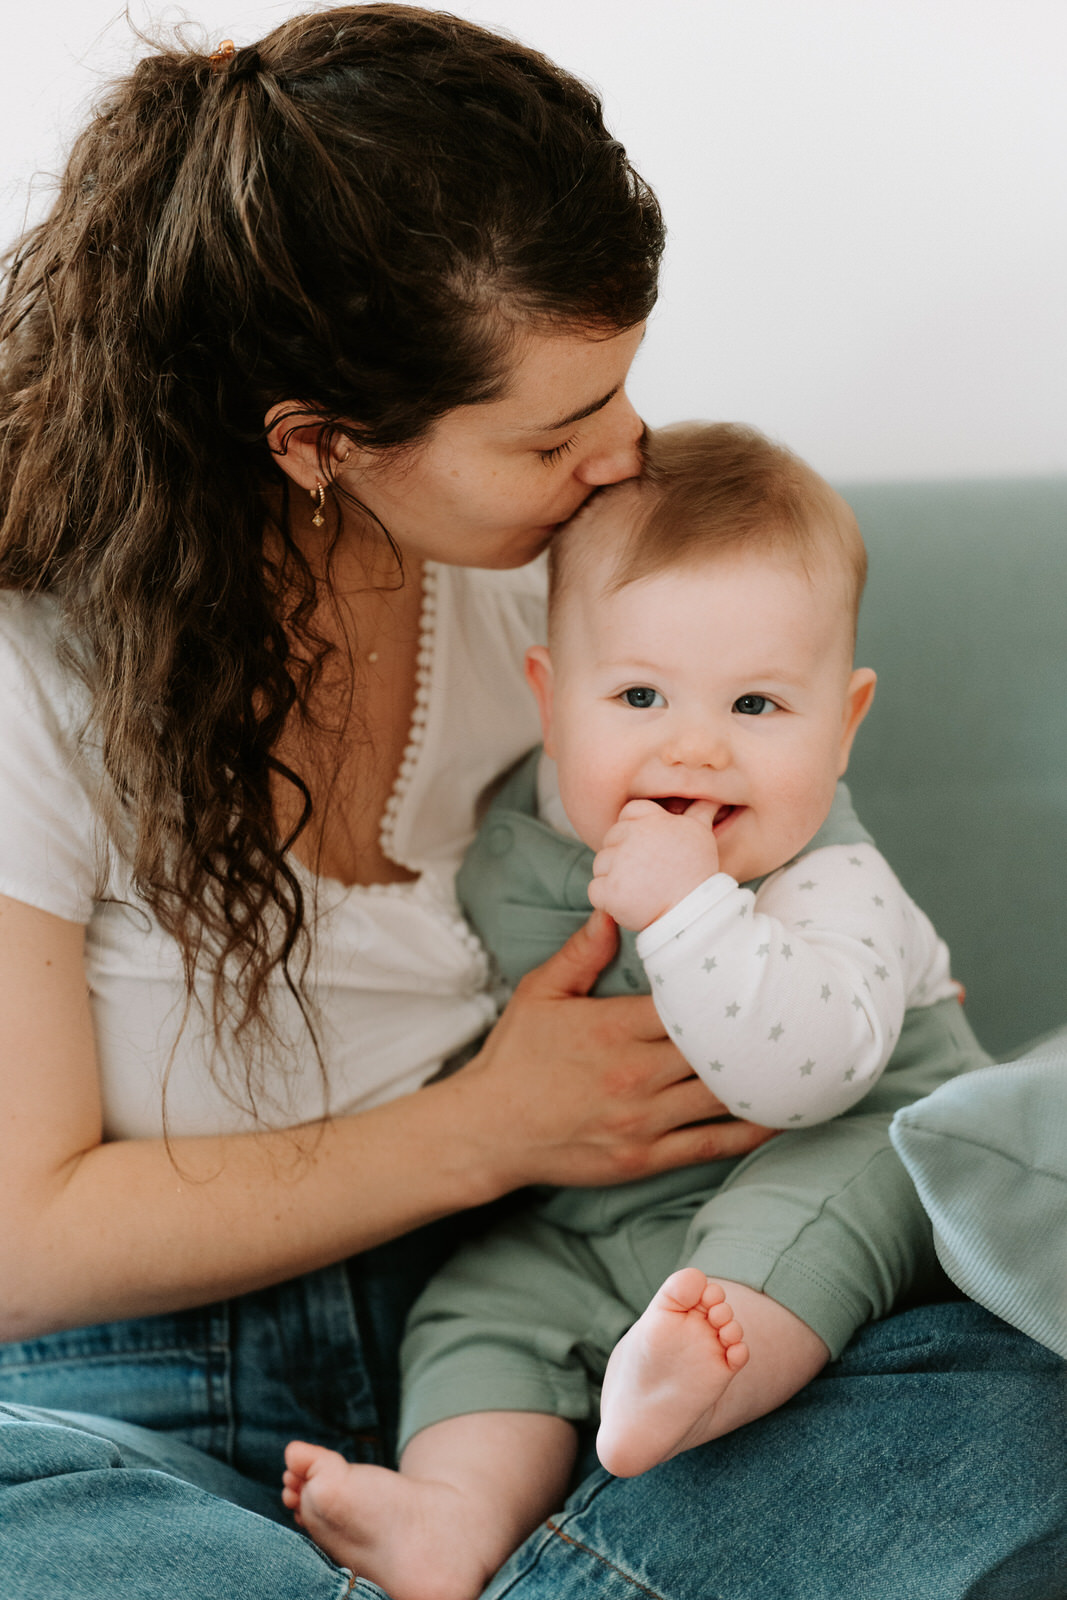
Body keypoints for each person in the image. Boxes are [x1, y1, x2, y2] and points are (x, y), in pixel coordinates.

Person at [0, 7, 1062, 1600]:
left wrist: (842, 988)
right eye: (559, 431)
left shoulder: (566, 590)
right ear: (320, 443)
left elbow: (804, 874)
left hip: (596, 1342)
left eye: (619, 391)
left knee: (1022, 1389)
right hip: (143, 1389)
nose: (624, 453)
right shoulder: (37, 666)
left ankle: (487, 1561)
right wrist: (488, 1128)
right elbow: (21, 1238)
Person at [279, 422, 988, 1600]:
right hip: (601, 1206)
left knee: (813, 1218)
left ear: (844, 720)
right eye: (641, 693)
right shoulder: (513, 834)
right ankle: (452, 1514)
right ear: (550, 702)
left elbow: (801, 1080)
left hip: (827, 1148)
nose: (696, 745)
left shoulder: (829, 875)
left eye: (758, 704)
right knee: (477, 1304)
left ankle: (702, 1391)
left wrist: (693, 910)